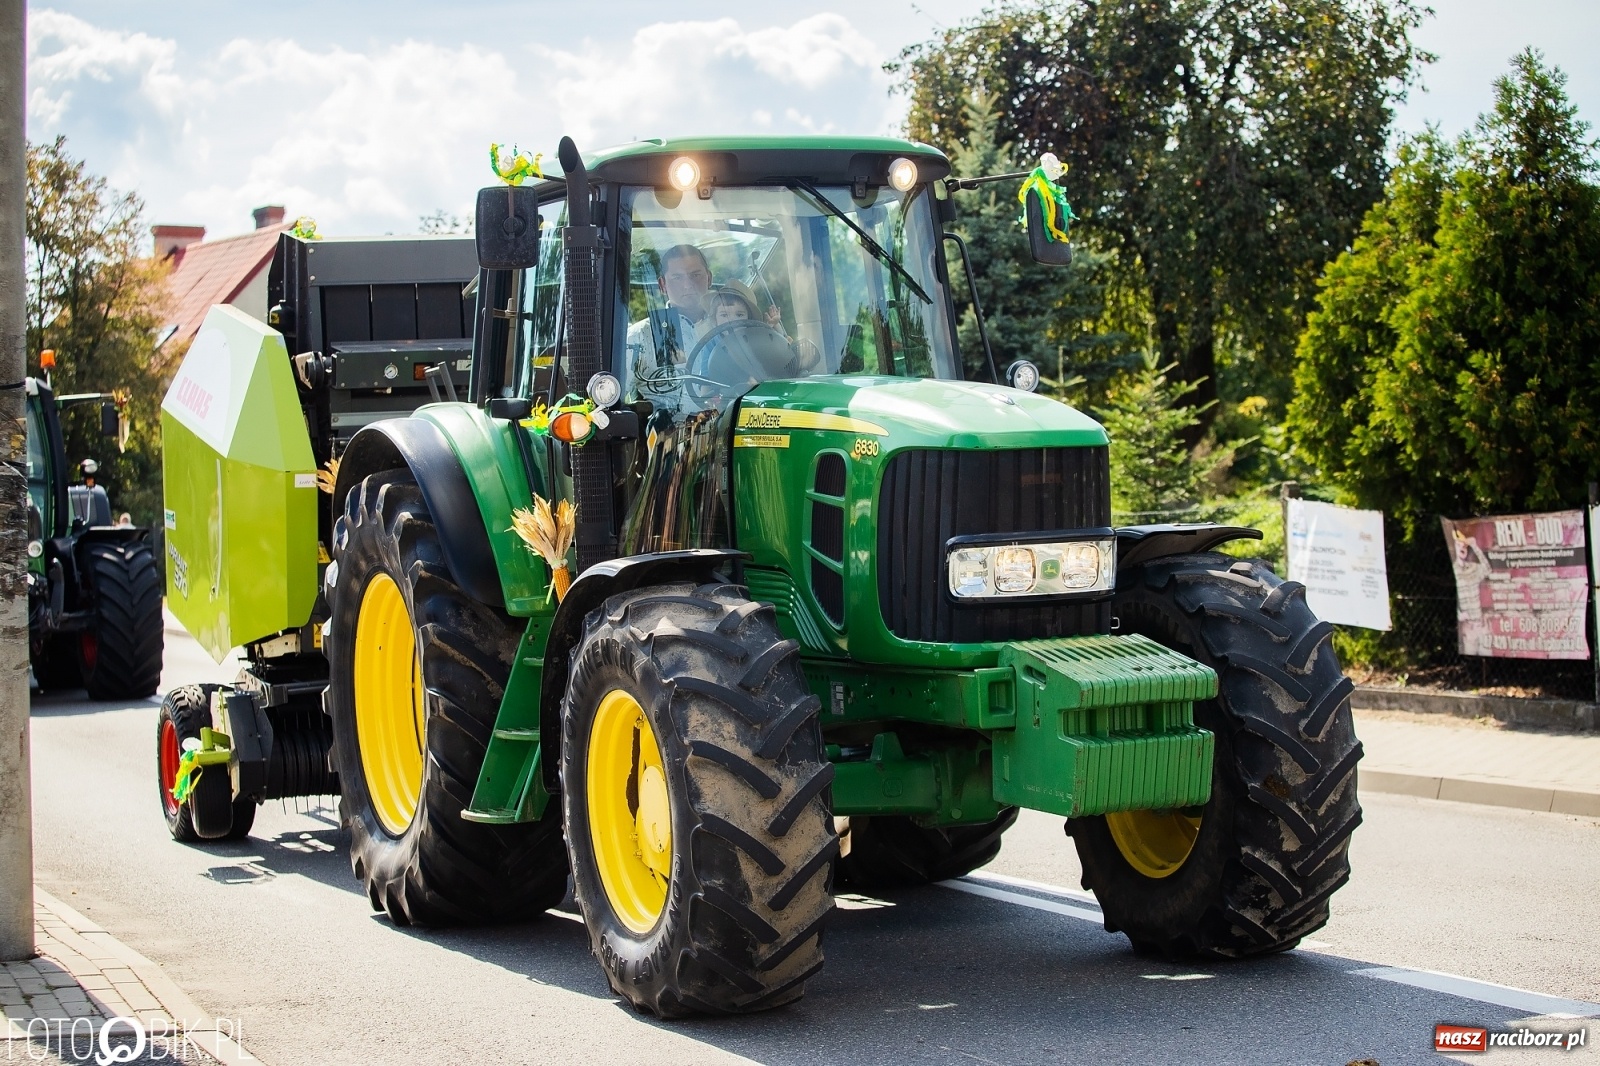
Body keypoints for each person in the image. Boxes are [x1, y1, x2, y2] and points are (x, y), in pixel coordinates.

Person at [627, 244, 714, 412]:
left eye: (695, 275)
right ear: (662, 285)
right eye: (677, 277)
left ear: (709, 278)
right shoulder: (641, 335)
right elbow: (612, 394)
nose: (688, 285)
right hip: (665, 435)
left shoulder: (729, 329)